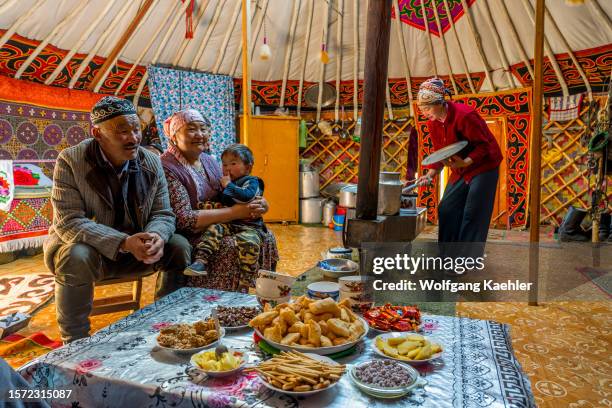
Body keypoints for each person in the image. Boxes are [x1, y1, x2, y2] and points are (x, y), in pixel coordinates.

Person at [43, 96, 191, 343]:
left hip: (136, 253)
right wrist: (124, 242)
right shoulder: (71, 160)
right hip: (94, 255)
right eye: (123, 131)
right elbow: (69, 222)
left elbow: (163, 213)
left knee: (178, 246)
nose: (133, 138)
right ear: (97, 133)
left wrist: (156, 236)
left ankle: (168, 326)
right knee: (75, 255)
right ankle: (74, 341)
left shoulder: (152, 162)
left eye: (136, 129)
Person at [160, 109, 279, 292]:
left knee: (264, 235)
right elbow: (184, 220)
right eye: (191, 129)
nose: (200, 134)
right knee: (230, 246)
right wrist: (236, 212)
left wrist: (261, 204)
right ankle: (208, 303)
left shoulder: (210, 161)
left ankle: (243, 296)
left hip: (222, 222)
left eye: (204, 129)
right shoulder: (167, 167)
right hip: (188, 233)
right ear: (174, 136)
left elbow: (231, 192)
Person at [416, 78, 502, 262]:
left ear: (440, 103)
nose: (424, 113)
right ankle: (447, 257)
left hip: (483, 166)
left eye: (427, 108)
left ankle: (466, 260)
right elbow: (440, 153)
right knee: (447, 208)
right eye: (421, 109)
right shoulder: (433, 123)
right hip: (461, 167)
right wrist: (430, 174)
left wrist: (466, 162)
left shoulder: (465, 115)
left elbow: (484, 146)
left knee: (473, 212)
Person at [186, 144, 267, 281]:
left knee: (250, 244)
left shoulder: (252, 181)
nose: (227, 168)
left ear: (248, 167)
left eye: (233, 164)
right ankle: (200, 262)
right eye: (224, 165)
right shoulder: (226, 183)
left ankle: (246, 280)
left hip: (250, 226)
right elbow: (222, 200)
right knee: (213, 229)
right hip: (229, 223)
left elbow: (246, 197)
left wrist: (228, 185)